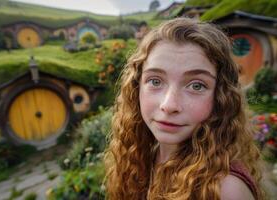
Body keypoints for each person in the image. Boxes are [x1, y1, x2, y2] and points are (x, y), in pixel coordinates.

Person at [104, 17, 263, 200]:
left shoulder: (226, 189)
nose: (169, 105)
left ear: (221, 97)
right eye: (155, 81)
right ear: (136, 87)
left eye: (196, 86)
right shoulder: (141, 157)